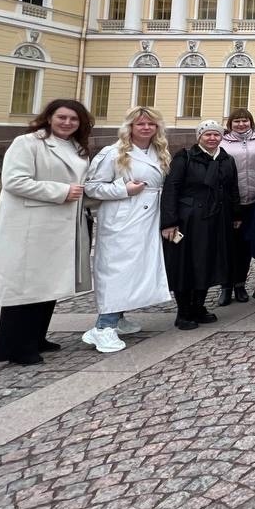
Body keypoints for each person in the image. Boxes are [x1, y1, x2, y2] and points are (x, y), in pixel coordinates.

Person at [0, 99, 94, 366]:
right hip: (33, 226)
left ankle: (36, 337)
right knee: (24, 288)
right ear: (49, 118)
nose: (67, 123)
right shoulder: (28, 143)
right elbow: (14, 181)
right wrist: (61, 191)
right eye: (62, 117)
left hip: (61, 226)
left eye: (73, 119)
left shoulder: (76, 147)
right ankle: (16, 347)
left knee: (48, 286)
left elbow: (82, 186)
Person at [81, 106, 171, 353]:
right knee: (116, 270)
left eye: (150, 124)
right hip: (123, 218)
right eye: (140, 124)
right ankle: (103, 326)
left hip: (148, 217)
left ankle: (118, 318)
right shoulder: (113, 152)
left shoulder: (158, 151)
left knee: (136, 268)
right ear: (130, 126)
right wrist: (123, 190)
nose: (145, 128)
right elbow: (93, 187)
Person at [161, 120, 240, 330]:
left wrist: (236, 214)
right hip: (190, 219)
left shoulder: (226, 160)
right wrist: (169, 222)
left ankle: (198, 306)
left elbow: (233, 189)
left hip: (218, 218)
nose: (212, 138)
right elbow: (172, 189)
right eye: (207, 135)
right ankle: (183, 311)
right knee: (187, 264)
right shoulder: (185, 157)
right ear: (199, 137)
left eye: (216, 135)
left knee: (208, 262)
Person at [220, 108, 255, 306]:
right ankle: (225, 287)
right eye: (237, 121)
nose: (241, 124)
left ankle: (240, 284)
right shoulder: (222, 143)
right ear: (230, 124)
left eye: (245, 121)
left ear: (251, 122)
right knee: (228, 245)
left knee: (246, 244)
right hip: (230, 202)